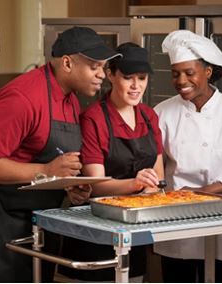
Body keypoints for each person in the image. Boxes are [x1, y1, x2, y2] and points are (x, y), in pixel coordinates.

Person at [0, 26, 121, 282]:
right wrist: (46, 171)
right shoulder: (22, 99)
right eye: (95, 67)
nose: (102, 75)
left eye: (103, 67)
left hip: (39, 223)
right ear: (67, 63)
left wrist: (69, 186)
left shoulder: (72, 99)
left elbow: (54, 159)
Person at [153, 30, 222, 283]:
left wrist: (198, 194)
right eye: (175, 73)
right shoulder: (162, 113)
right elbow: (155, 166)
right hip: (175, 220)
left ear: (208, 72)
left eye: (189, 73)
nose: (181, 80)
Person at [58, 42, 164, 282]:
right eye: (128, 77)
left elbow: (158, 174)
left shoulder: (149, 116)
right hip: (96, 227)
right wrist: (136, 184)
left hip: (135, 226)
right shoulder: (94, 119)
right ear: (110, 74)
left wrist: (151, 187)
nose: (136, 86)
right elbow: (96, 185)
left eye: (142, 78)